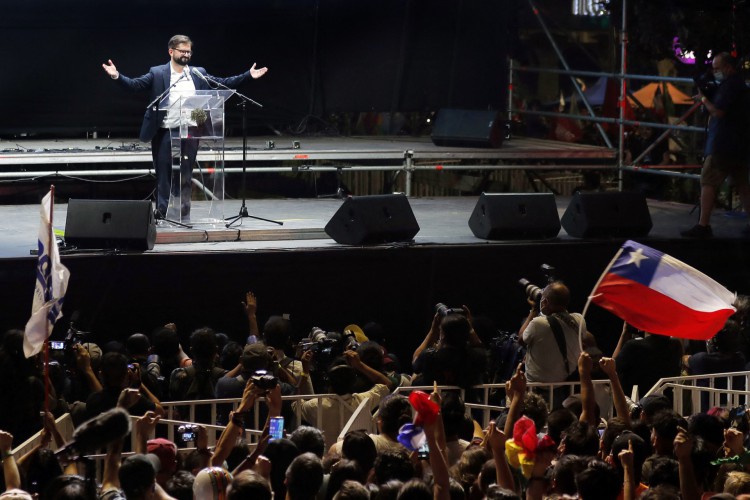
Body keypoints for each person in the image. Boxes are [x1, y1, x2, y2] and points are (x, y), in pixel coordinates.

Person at [102, 34, 268, 220]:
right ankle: (161, 213)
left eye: (189, 51)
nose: (186, 55)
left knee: (186, 173)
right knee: (164, 173)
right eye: (182, 51)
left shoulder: (198, 73)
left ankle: (183, 212)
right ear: (171, 51)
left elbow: (223, 83)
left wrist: (248, 76)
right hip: (166, 130)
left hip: (191, 130)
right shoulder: (157, 73)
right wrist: (117, 76)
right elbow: (134, 85)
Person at [681, 51, 750, 238]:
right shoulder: (738, 85)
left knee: (708, 180)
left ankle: (703, 225)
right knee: (743, 183)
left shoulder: (730, 86)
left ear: (728, 67)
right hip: (739, 143)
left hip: (723, 143)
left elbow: (718, 112)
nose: (715, 72)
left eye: (717, 68)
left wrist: (704, 99)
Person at [518, 281, 585, 384]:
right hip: (564, 383)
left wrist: (534, 310)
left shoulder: (538, 323)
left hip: (536, 386)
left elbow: (521, 340)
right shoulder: (580, 320)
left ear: (544, 302)